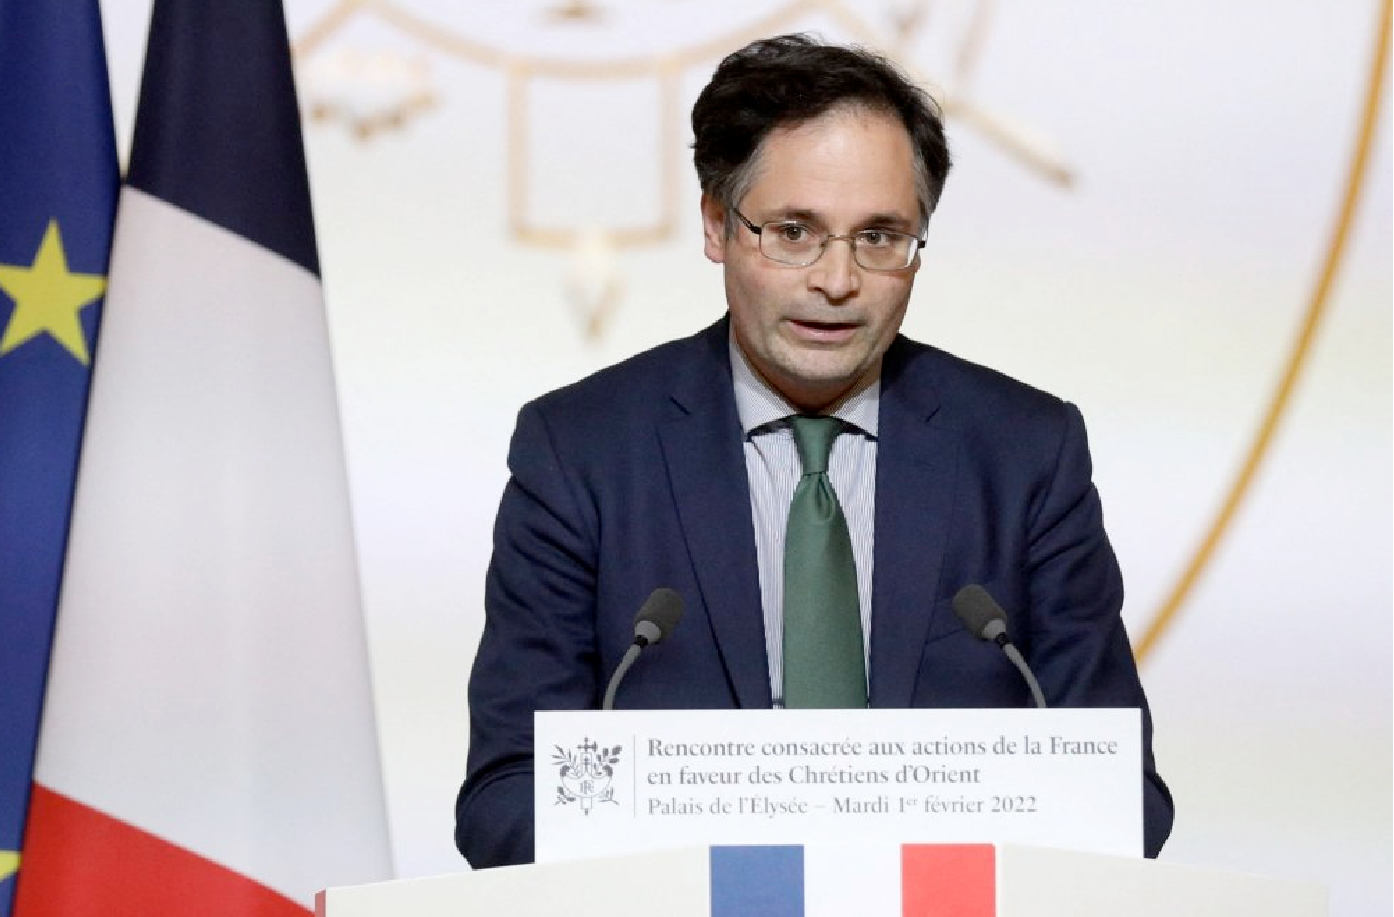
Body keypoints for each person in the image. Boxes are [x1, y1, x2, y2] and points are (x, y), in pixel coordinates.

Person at [455, 33, 1173, 868]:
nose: (837, 281)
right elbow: (508, 797)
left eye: (879, 237)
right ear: (716, 225)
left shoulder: (1023, 454)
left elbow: (1123, 799)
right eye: (793, 231)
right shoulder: (582, 452)